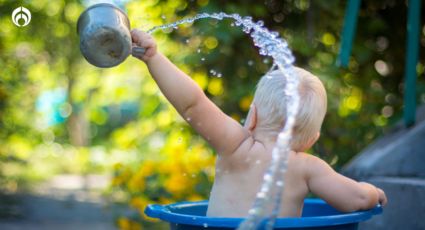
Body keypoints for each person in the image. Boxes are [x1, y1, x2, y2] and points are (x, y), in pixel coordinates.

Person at [130, 29, 387, 217]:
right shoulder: (308, 168)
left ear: (251, 117)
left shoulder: (236, 147)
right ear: (312, 139)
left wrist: (154, 57)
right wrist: (374, 192)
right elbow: (357, 199)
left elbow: (193, 104)